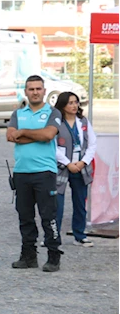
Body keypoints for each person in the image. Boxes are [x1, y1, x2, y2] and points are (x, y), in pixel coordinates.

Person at [7, 75, 63, 272]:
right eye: (31, 89)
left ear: (44, 91)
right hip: (21, 172)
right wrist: (35, 134)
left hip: (44, 172)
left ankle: (54, 255)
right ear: (26, 92)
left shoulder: (53, 112)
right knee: (25, 216)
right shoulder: (18, 113)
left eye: (38, 89)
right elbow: (10, 135)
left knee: (48, 216)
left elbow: (48, 135)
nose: (35, 92)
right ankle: (28, 256)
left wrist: (23, 133)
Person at [54, 92, 97, 248]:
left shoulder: (83, 121)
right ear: (63, 105)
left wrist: (83, 162)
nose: (74, 106)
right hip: (62, 167)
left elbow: (92, 144)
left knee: (80, 202)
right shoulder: (56, 122)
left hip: (81, 167)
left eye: (76, 102)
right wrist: (67, 163)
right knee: (56, 204)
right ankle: (52, 236)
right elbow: (52, 145)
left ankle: (79, 235)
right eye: (70, 103)